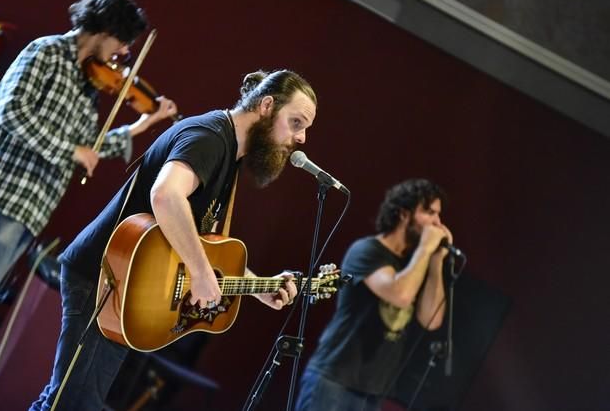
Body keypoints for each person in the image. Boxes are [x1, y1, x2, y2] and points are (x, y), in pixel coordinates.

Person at [30, 68, 317, 410]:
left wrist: (258, 286)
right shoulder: (210, 136)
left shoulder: (230, 153)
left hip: (129, 285)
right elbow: (166, 196)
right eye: (296, 123)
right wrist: (199, 272)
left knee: (67, 403)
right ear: (267, 106)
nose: (301, 139)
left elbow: (202, 244)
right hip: (106, 278)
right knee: (70, 404)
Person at [0, 0, 178, 336]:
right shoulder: (46, 51)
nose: (124, 52)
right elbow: (13, 111)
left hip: (33, 206)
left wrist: (143, 125)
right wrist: (70, 151)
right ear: (104, 29)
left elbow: (86, 147)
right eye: (123, 41)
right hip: (9, 192)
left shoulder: (87, 82)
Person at [295, 179, 453, 411]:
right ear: (403, 214)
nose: (437, 224)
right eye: (429, 213)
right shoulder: (367, 251)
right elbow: (400, 295)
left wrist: (436, 261)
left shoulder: (414, 264)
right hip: (334, 380)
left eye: (439, 215)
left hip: (373, 390)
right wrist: (425, 249)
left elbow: (432, 320)